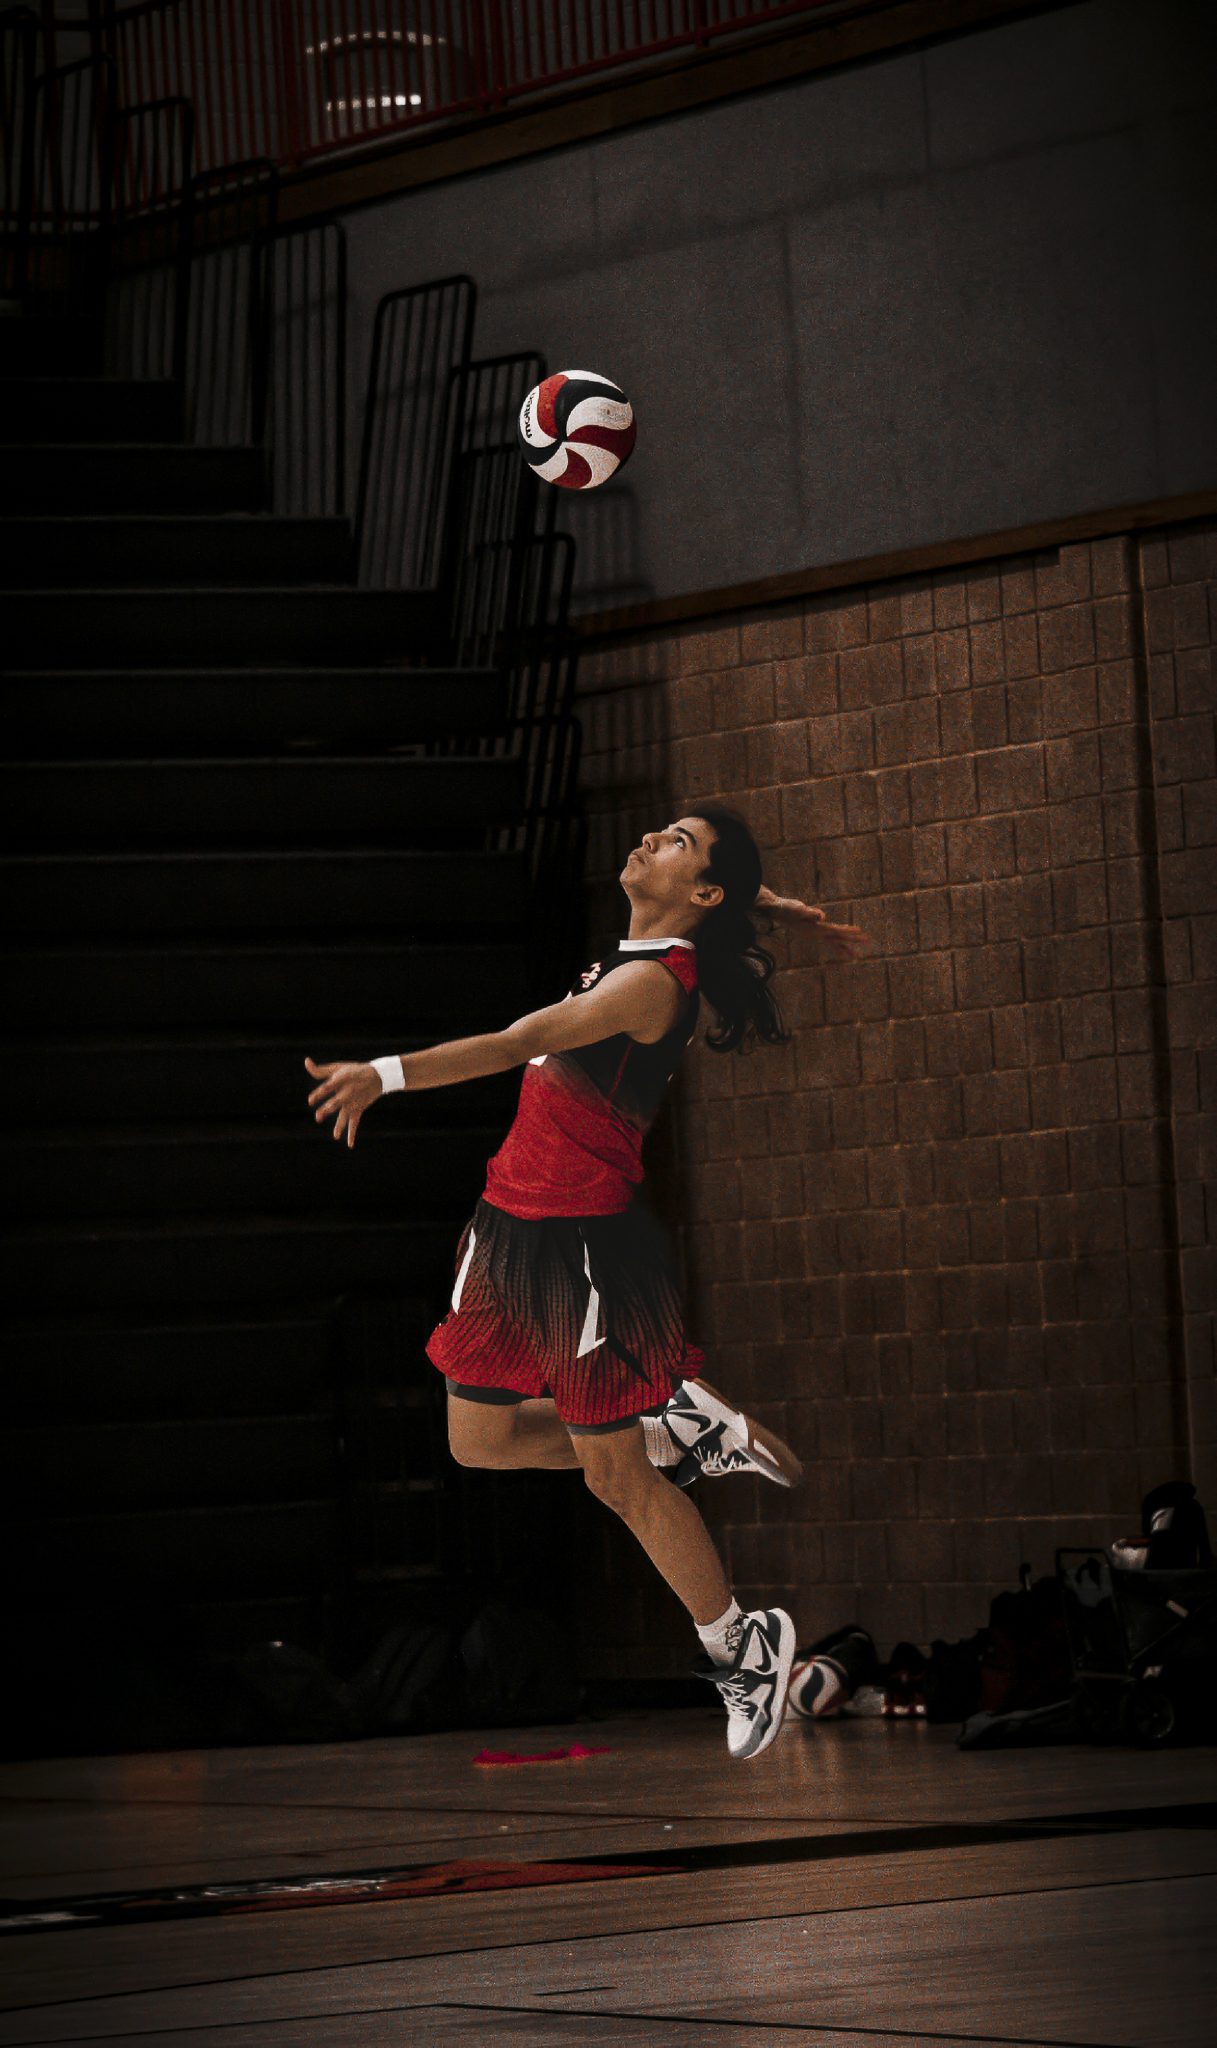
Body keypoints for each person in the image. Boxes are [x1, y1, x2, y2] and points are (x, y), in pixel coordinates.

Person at [307, 804, 867, 1760]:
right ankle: (679, 1427)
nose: (651, 838)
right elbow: (726, 898)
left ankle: (741, 1645)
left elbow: (514, 1038)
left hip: (583, 1251)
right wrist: (777, 908)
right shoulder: (642, 948)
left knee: (615, 1477)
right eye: (663, 829)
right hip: (506, 1228)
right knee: (478, 1442)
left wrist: (385, 1075)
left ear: (698, 893)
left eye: (679, 842)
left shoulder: (650, 984)